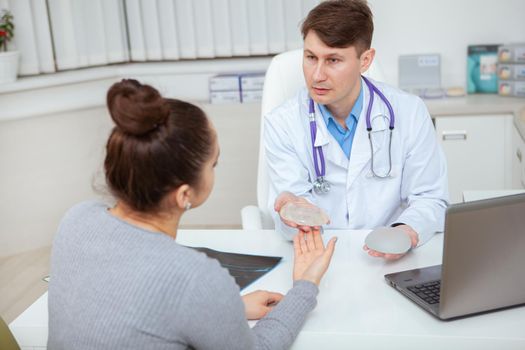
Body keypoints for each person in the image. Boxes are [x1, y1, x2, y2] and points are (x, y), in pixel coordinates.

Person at [47, 79, 337, 349]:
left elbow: (123, 306)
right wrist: (304, 286)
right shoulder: (198, 278)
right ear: (185, 195)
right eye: (214, 164)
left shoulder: (76, 219)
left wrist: (225, 309)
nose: (214, 170)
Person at [264, 0, 448, 260]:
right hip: (317, 256)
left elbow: (430, 197)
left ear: (365, 60)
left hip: (388, 260)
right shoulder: (282, 123)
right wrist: (291, 212)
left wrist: (405, 232)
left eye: (333, 60)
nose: (317, 75)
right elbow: (292, 209)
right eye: (310, 57)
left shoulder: (409, 112)